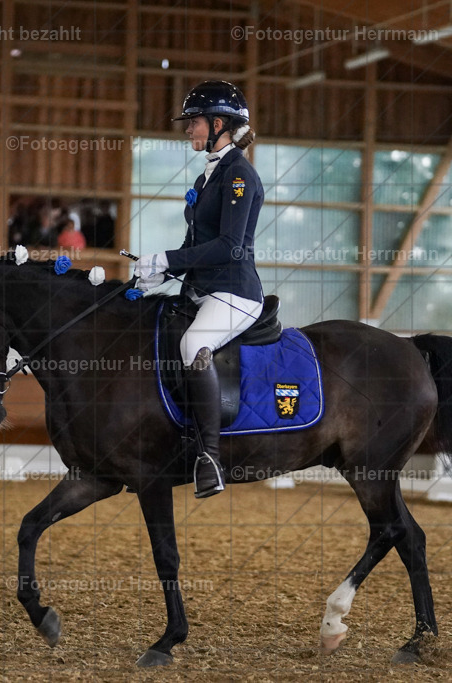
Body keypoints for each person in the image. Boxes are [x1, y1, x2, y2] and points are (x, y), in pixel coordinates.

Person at [132, 80, 263, 498]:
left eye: (194, 123)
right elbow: (196, 245)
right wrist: (158, 272)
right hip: (201, 290)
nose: (188, 129)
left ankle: (209, 458)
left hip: (234, 293)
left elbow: (228, 246)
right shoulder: (211, 175)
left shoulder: (239, 175)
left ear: (218, 124)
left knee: (193, 346)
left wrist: (167, 259)